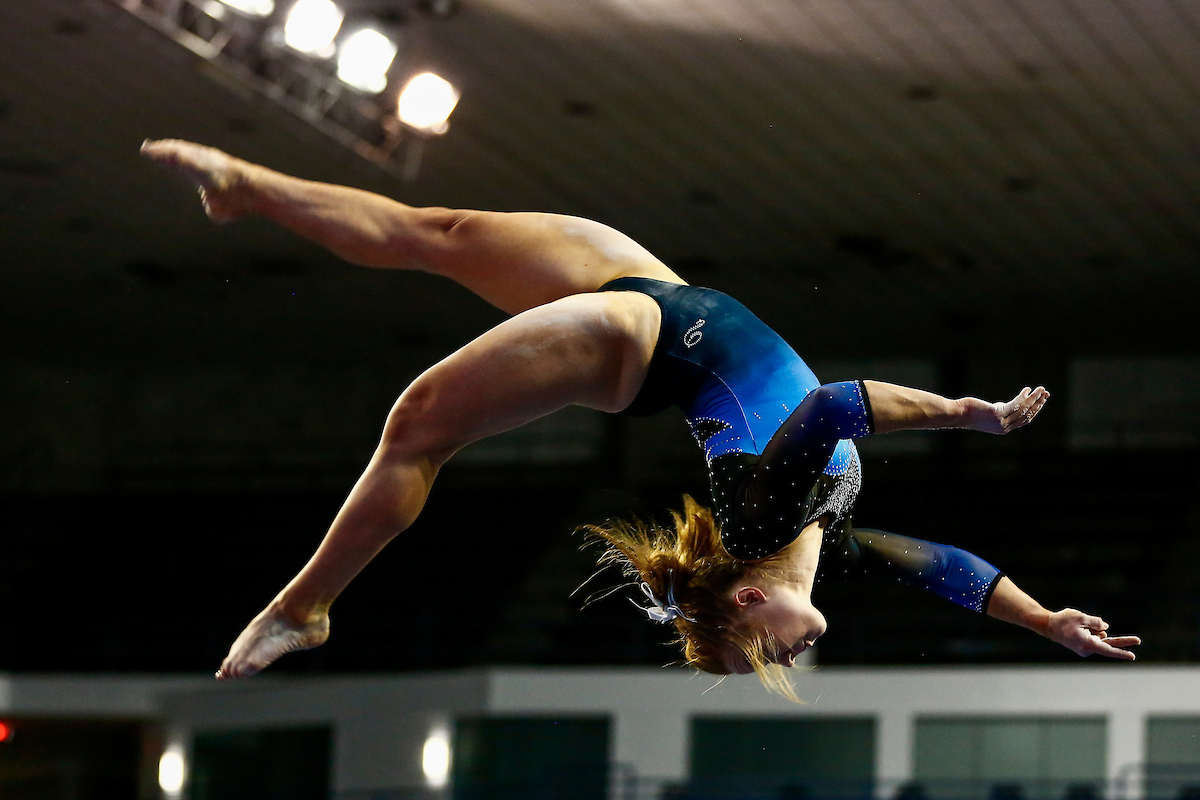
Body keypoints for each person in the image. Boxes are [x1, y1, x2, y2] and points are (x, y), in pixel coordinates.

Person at [140, 140, 1140, 692]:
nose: (784, 658)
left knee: (419, 426)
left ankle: (306, 605)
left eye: (759, 650)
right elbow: (949, 568)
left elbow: (842, 403)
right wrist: (1046, 617)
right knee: (433, 232)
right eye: (770, 660)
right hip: (661, 292)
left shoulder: (762, 519)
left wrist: (970, 417)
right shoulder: (822, 543)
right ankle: (250, 190)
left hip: (640, 336)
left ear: (746, 600)